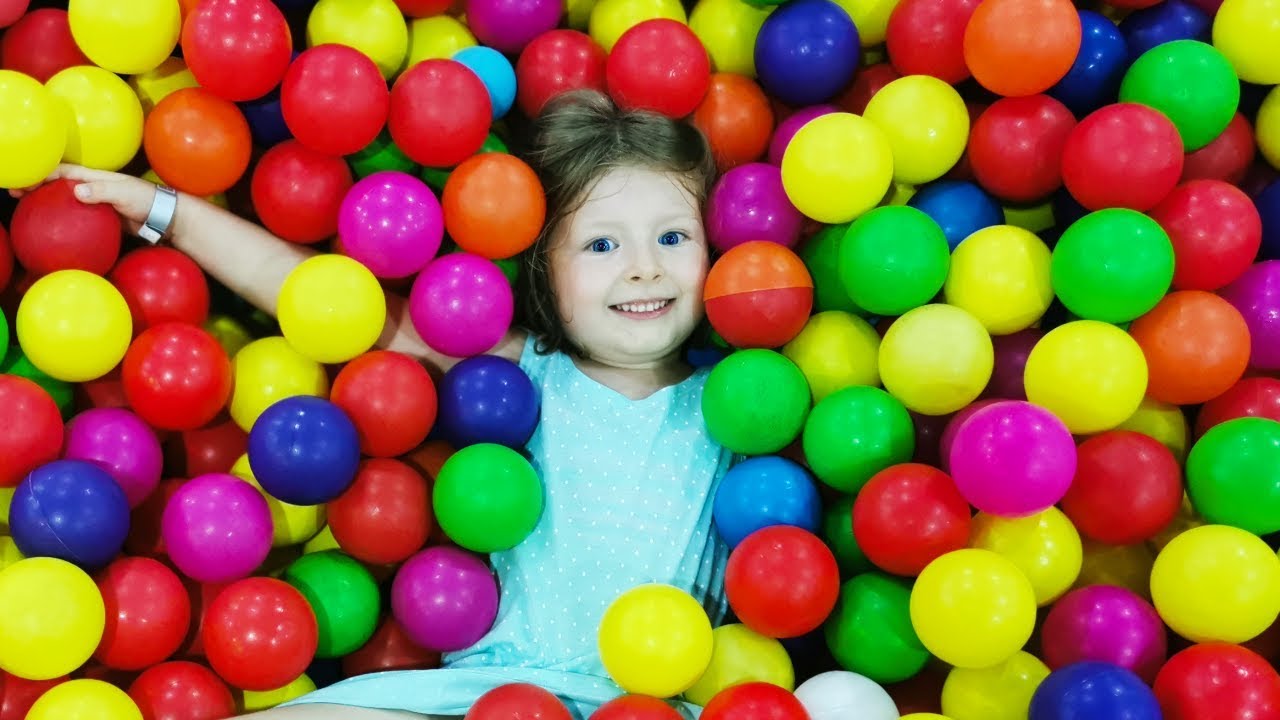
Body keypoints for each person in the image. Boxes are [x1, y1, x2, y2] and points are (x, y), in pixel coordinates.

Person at [14, 89, 735, 719]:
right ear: (544, 269)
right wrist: (159, 209)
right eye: (602, 244)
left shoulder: (742, 401)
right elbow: (315, 295)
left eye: (674, 237)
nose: (645, 266)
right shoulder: (526, 376)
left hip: (652, 703)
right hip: (492, 693)